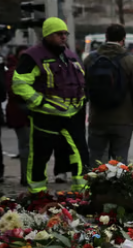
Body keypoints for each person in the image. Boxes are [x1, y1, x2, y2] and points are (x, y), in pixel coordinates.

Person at [13, 18, 88, 193]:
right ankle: (37, 195)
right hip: (46, 116)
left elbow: (81, 81)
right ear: (47, 35)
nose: (63, 37)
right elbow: (19, 83)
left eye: (65, 34)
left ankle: (82, 194)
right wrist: (39, 101)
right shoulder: (32, 56)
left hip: (72, 116)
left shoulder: (71, 55)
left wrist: (84, 98)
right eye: (58, 34)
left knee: (81, 156)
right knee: (40, 156)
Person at [82, 23, 133, 165]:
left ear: (106, 37)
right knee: (120, 161)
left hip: (97, 117)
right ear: (123, 39)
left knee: (96, 160)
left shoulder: (90, 59)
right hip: (123, 119)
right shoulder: (130, 61)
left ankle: (97, 179)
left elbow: (84, 87)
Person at [4, 47, 29, 185]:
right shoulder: (14, 71)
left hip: (25, 113)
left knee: (28, 146)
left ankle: (29, 176)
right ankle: (26, 177)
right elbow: (14, 91)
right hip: (21, 113)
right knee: (26, 146)